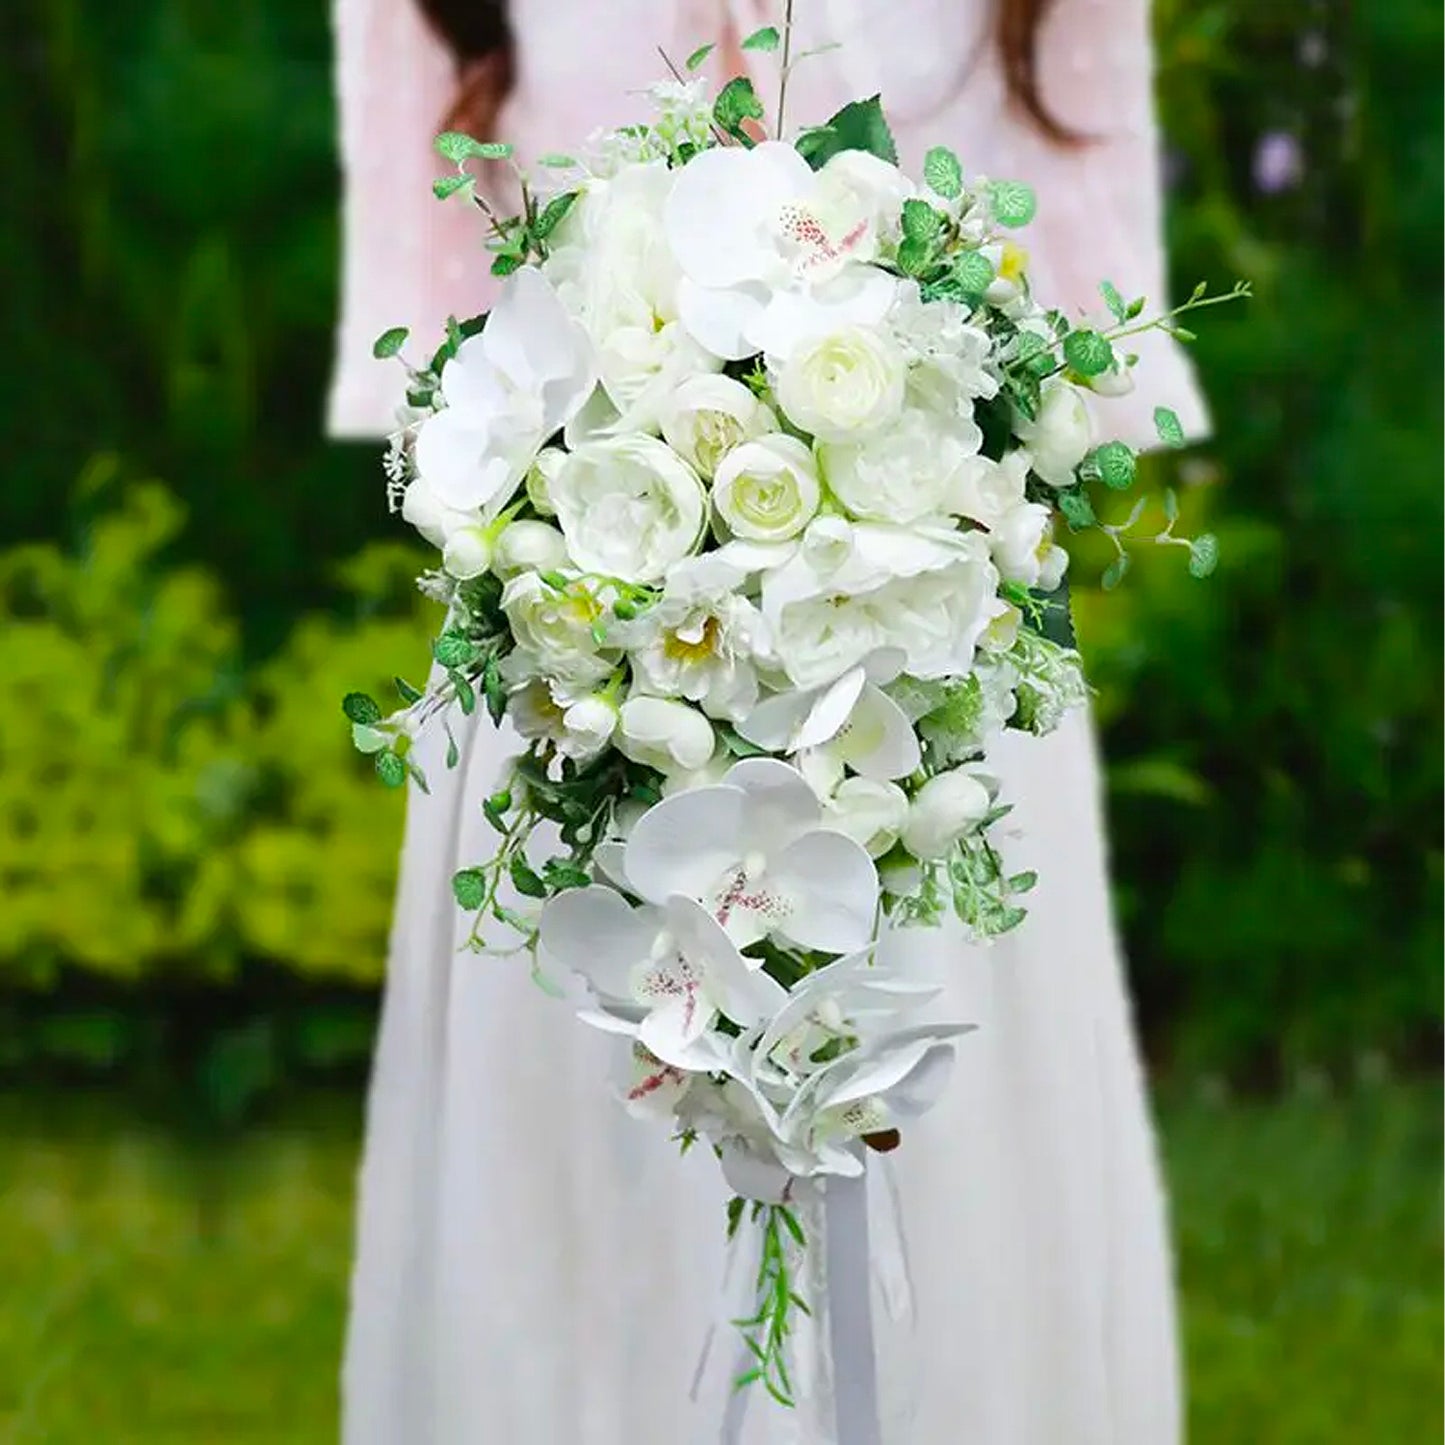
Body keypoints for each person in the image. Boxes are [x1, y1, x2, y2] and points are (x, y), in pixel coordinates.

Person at [329, 2, 1208, 1441]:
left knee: (946, 1177)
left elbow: (1072, 343)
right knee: (581, 1195)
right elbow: (444, 366)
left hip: (924, 650)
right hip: (580, 651)